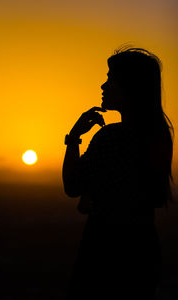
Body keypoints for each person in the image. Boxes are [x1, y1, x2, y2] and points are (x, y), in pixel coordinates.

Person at [62, 45, 174, 299]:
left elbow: (72, 186)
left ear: (129, 86)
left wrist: (74, 138)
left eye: (110, 78)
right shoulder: (159, 134)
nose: (103, 85)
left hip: (106, 250)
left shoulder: (113, 137)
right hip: (143, 250)